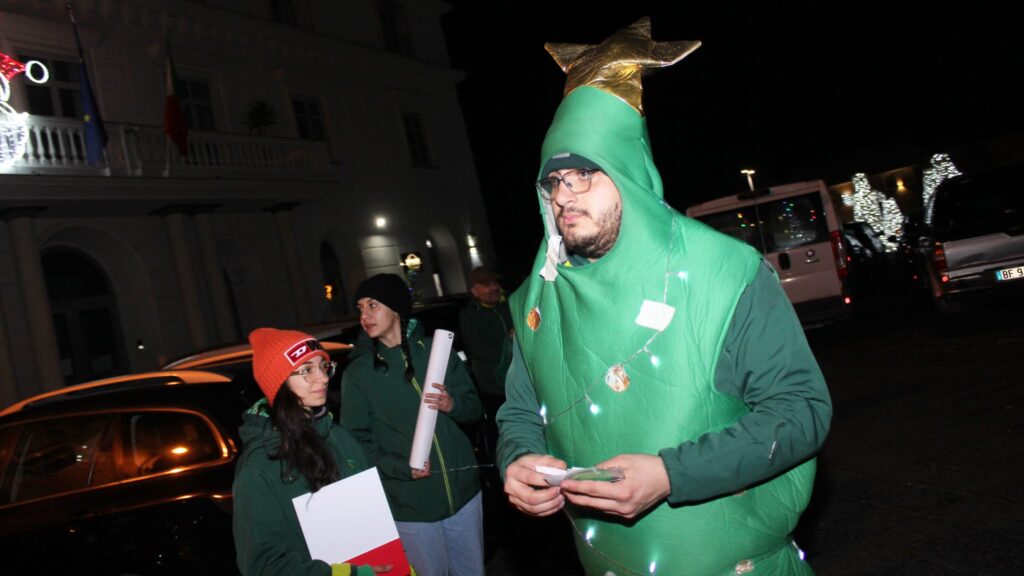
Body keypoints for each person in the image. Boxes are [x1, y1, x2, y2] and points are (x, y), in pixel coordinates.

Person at [496, 18, 833, 575]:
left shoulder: (723, 272)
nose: (564, 195)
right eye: (553, 181)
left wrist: (671, 474)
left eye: (584, 174)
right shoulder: (536, 301)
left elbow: (801, 409)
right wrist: (519, 460)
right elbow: (520, 410)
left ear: (627, 174)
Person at [341, 273, 485, 576]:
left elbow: (474, 408)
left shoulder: (436, 350)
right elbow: (355, 446)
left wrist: (451, 405)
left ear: (395, 308)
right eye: (360, 308)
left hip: (464, 498)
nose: (364, 315)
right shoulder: (359, 374)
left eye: (372, 305)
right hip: (412, 507)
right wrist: (401, 468)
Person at [233, 328, 397, 576]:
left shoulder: (338, 435)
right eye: (307, 370)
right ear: (279, 383)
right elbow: (263, 566)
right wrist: (348, 574)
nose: (322, 378)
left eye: (323, 366)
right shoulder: (259, 467)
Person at [458, 265, 514, 455]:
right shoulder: (470, 316)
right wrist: (509, 342)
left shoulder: (509, 307)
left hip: (518, 383)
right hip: (494, 388)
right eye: (487, 285)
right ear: (475, 290)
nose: (494, 287)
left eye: (495, 283)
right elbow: (482, 350)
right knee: (503, 433)